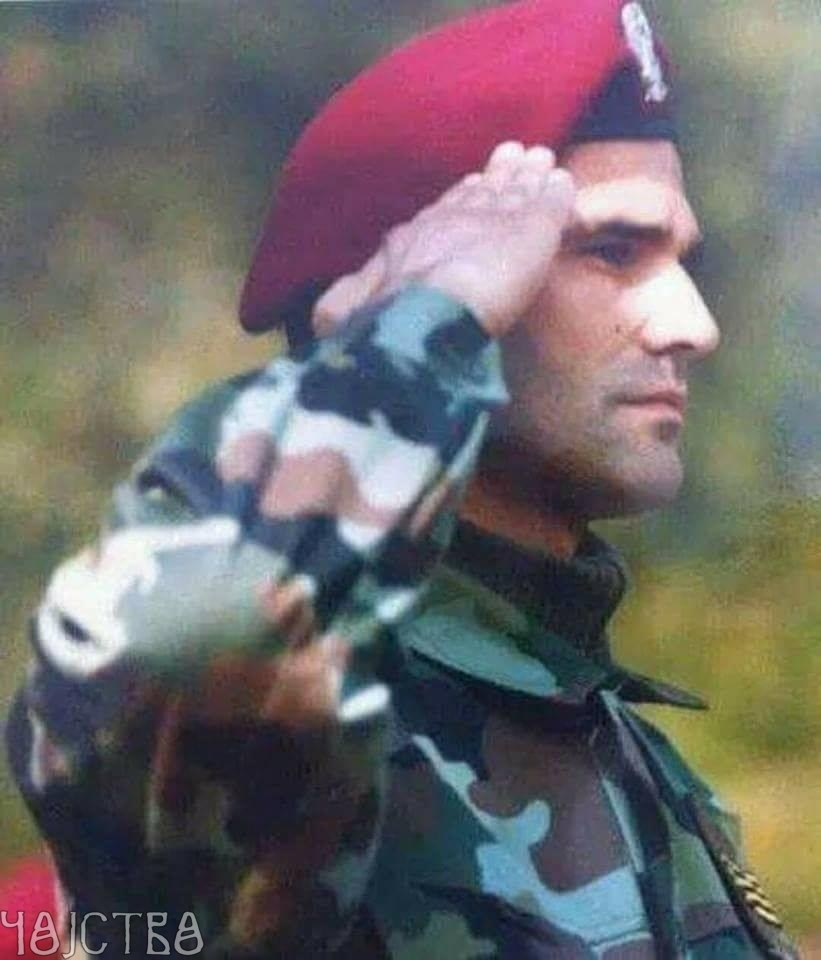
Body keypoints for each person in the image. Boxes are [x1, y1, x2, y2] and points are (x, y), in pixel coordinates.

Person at [2, 1, 801, 957]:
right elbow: (150, 652)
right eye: (611, 251)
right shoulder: (304, 736)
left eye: (680, 259)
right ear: (401, 291)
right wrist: (423, 323)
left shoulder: (626, 756)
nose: (692, 325)